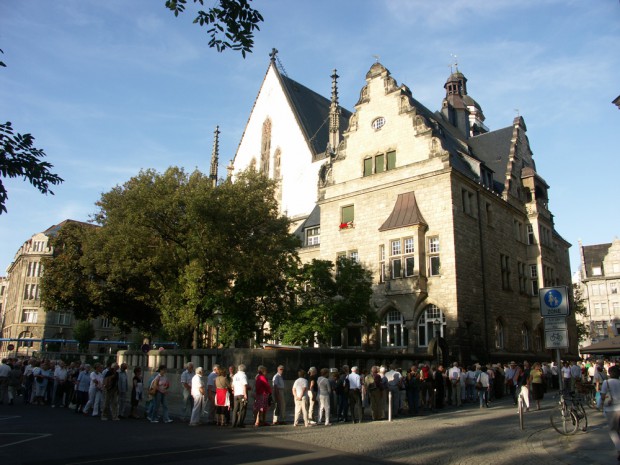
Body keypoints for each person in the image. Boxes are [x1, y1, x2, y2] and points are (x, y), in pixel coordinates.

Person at [600, 365, 620, 461]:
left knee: (613, 431)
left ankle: (619, 449)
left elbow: (603, 396)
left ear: (610, 373)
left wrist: (600, 404)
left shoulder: (606, 382)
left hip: (611, 409)